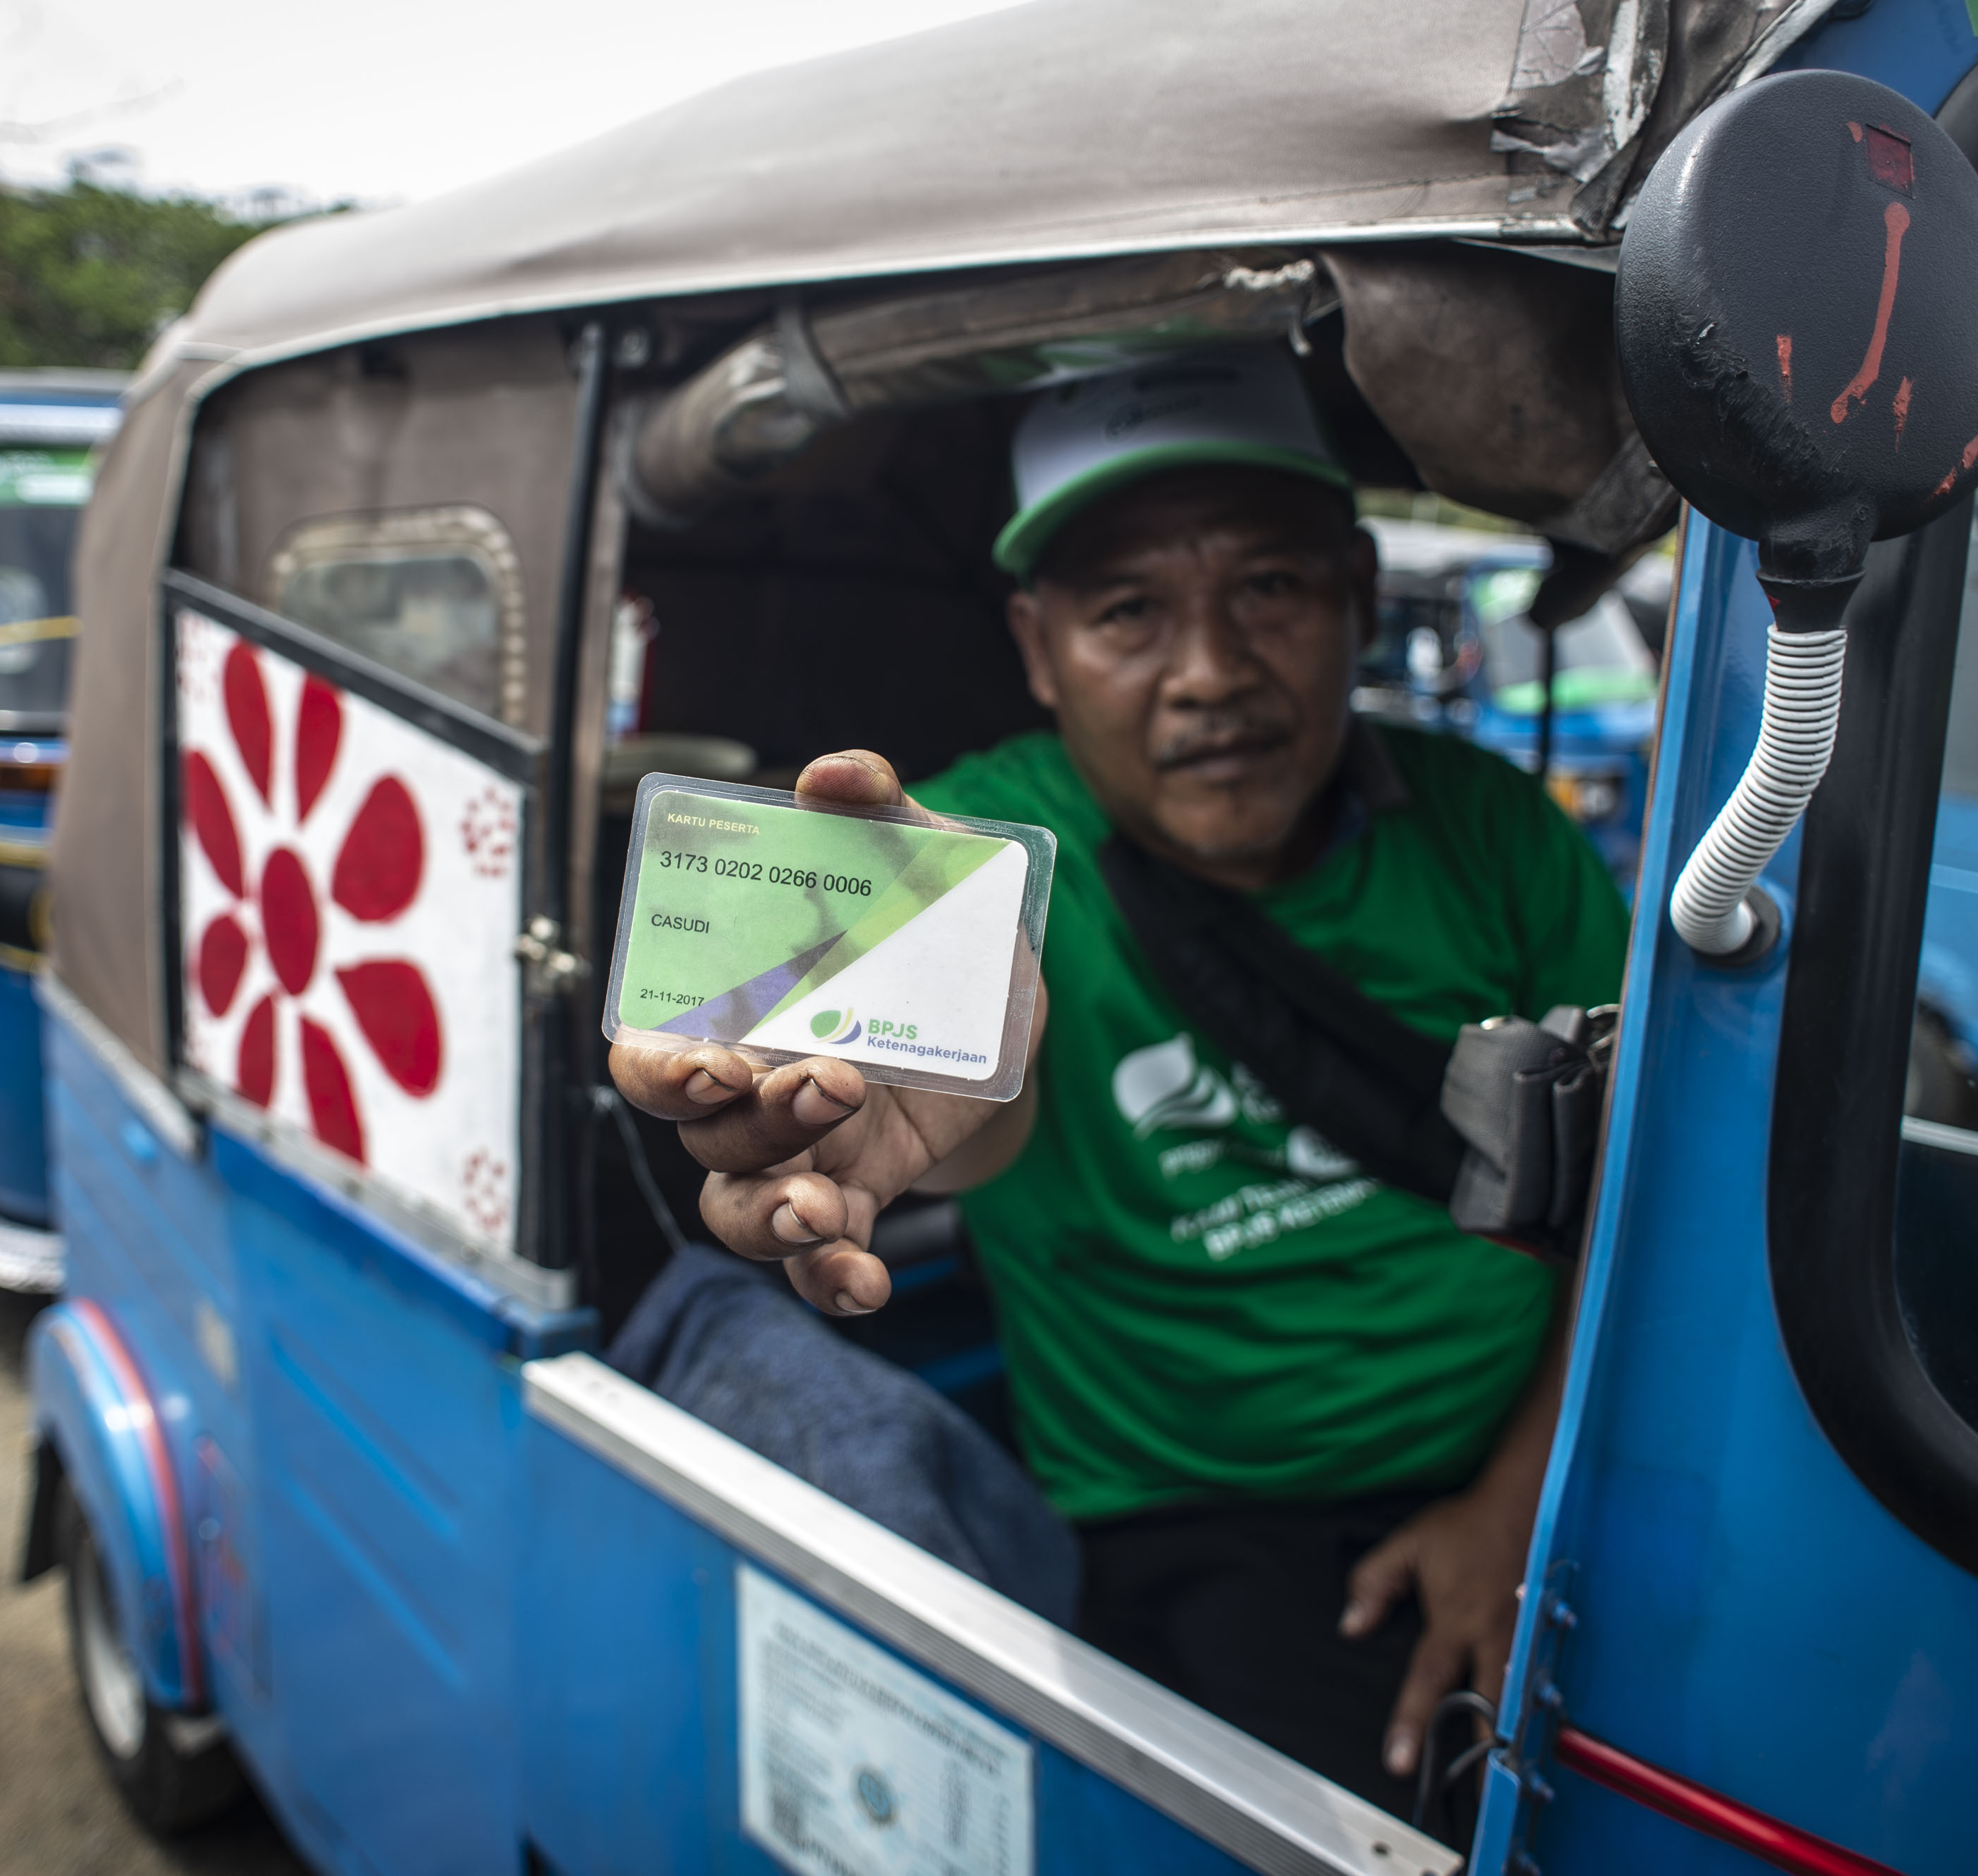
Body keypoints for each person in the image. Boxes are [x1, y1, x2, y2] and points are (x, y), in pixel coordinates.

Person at [610, 349, 1629, 1811]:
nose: (1209, 671)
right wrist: (886, 1090)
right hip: (1210, 1525)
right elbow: (954, 1062)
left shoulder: (1488, 828)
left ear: (1351, 591)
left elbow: (1624, 1187)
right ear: (1035, 646)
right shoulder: (994, 847)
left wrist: (1517, 1502)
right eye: (1127, 610)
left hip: (1551, 1455)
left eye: (1268, 588)